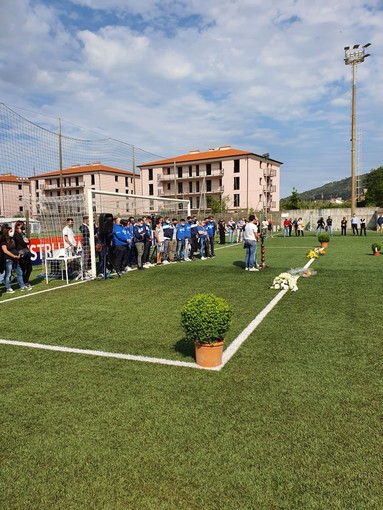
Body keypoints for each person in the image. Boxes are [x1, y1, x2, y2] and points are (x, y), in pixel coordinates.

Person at [0, 223, 31, 293]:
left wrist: (17, 255)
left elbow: (17, 246)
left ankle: (22, 286)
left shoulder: (12, 239)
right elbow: (5, 250)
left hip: (16, 258)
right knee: (8, 274)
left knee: (19, 272)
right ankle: (8, 288)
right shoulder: (3, 240)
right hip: (8, 259)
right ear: (7, 231)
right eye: (10, 231)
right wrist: (13, 256)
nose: (12, 232)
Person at [13, 221, 32, 289]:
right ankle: (23, 282)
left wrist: (27, 242)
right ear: (18, 226)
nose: (23, 226)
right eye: (22, 225)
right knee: (23, 268)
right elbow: (22, 243)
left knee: (29, 268)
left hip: (26, 252)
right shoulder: (16, 234)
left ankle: (26, 281)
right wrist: (26, 242)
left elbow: (28, 241)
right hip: (21, 253)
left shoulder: (22, 233)